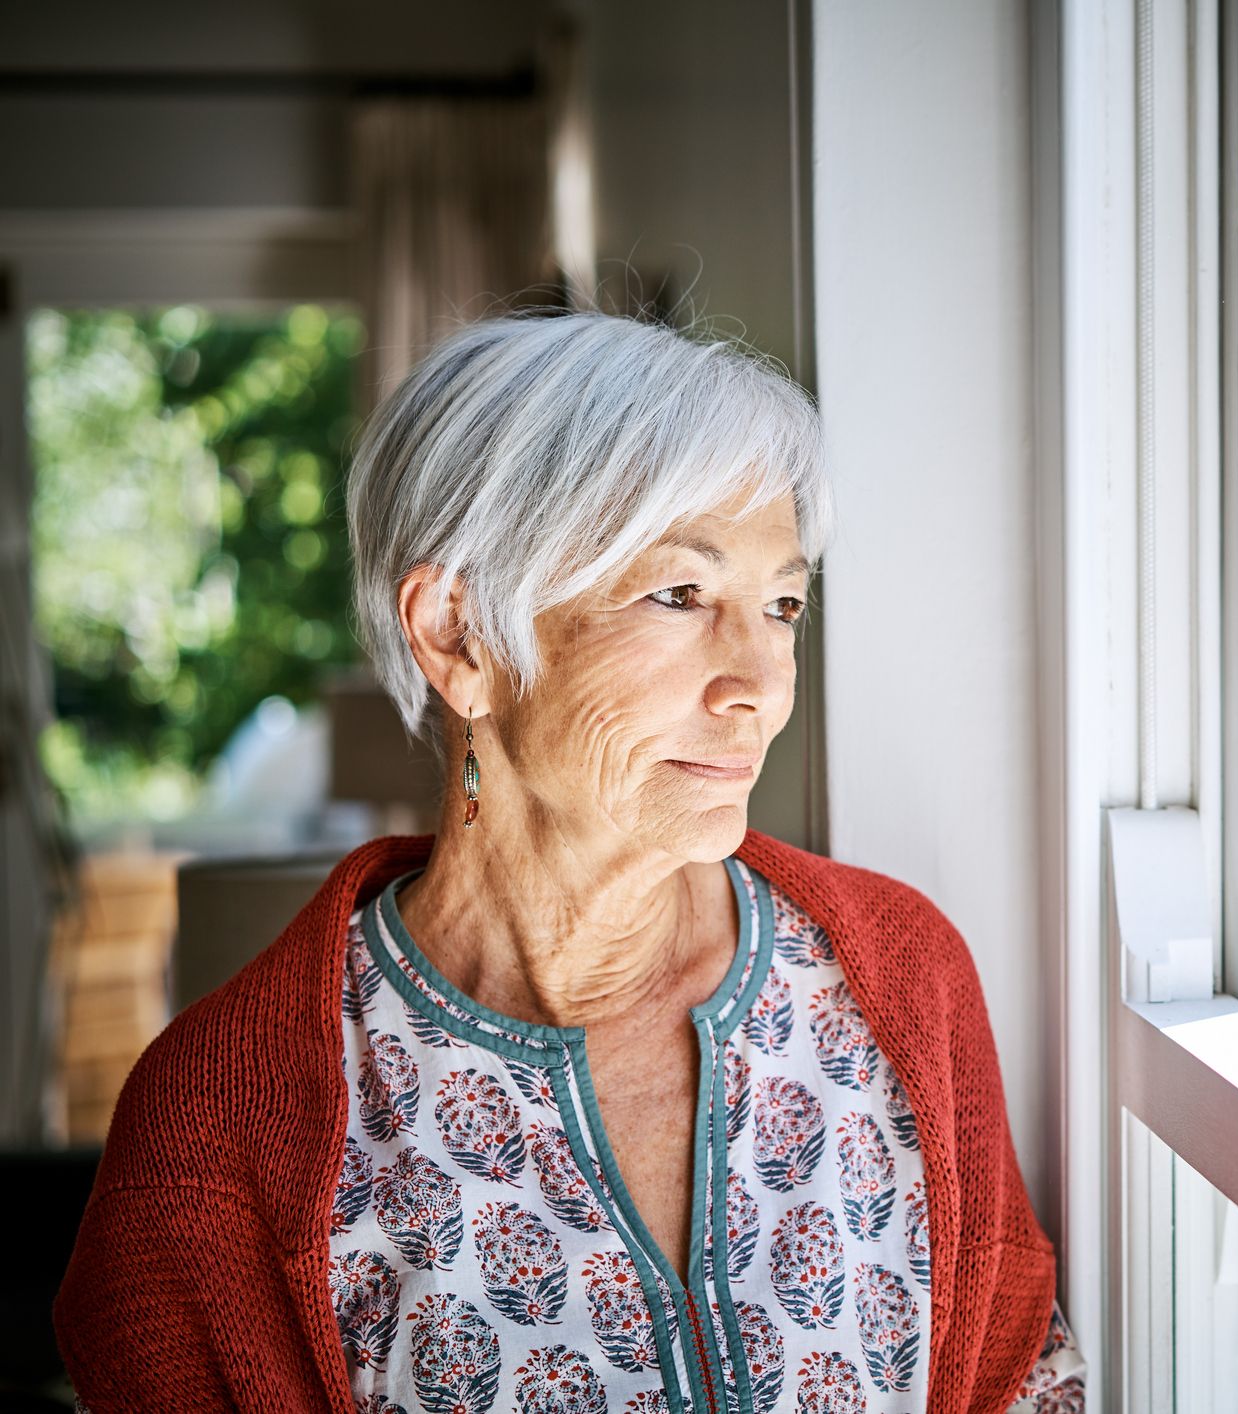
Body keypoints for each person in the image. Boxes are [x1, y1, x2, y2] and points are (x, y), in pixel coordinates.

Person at [55, 311, 1085, 1414]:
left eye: (780, 604)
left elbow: (1017, 1384)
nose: (759, 681)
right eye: (679, 595)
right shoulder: (213, 1133)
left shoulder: (897, 979)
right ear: (459, 635)